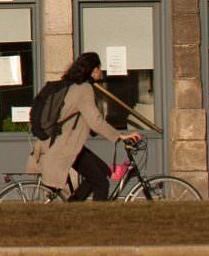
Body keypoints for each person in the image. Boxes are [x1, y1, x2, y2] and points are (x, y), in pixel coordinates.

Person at [33, 51, 138, 201]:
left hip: (64, 143)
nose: (101, 72)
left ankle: (74, 208)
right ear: (94, 70)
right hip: (64, 145)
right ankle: (96, 221)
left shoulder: (74, 86)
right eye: (100, 68)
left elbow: (83, 119)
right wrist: (119, 136)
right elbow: (95, 121)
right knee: (101, 182)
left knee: (102, 171)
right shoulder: (84, 89)